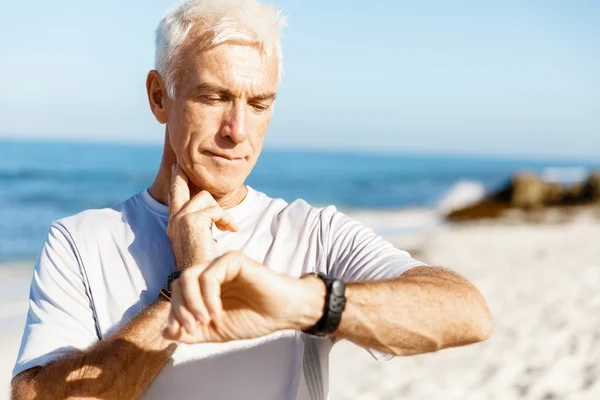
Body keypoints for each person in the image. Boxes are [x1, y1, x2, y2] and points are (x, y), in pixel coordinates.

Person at [10, 0, 492, 399]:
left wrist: (299, 302)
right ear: (160, 96)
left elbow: (466, 313)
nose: (237, 131)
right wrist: (180, 291)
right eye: (214, 97)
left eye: (259, 104)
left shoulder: (311, 232)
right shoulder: (79, 240)